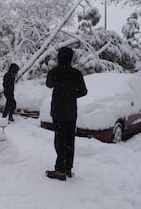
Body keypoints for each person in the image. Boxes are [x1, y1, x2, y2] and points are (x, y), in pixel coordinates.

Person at [45, 47, 87, 181]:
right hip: (71, 111)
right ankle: (68, 167)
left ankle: (60, 169)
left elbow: (48, 84)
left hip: (58, 110)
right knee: (70, 139)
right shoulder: (76, 73)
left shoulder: (54, 72)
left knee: (60, 139)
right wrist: (71, 95)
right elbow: (84, 91)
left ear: (59, 57)